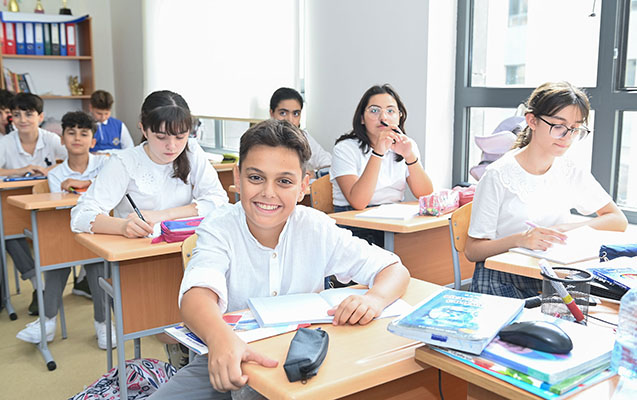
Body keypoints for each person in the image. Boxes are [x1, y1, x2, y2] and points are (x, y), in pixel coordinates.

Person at [149, 119, 410, 399]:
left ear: (303, 186)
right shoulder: (220, 226)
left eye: (284, 181)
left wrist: (375, 299)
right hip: (227, 349)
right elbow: (196, 295)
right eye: (256, 178)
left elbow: (394, 269)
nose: (268, 193)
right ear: (238, 177)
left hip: (299, 358)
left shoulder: (316, 227)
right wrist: (220, 338)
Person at [465, 81, 628, 299]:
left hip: (552, 274)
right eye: (559, 126)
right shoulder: (497, 174)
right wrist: (521, 239)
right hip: (502, 277)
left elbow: (617, 220)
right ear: (532, 120)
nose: (567, 137)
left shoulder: (569, 169)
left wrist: (566, 228)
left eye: (575, 129)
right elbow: (473, 250)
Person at [16, 111, 114, 348]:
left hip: (98, 233)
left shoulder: (105, 164)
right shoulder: (56, 174)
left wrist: (85, 183)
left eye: (84, 133)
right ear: (62, 139)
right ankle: (47, 322)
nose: (77, 138)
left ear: (93, 141)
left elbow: (113, 191)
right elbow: (58, 211)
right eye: (71, 133)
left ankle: (103, 324)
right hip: (66, 233)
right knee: (56, 260)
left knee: (96, 264)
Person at [71, 90, 228, 238]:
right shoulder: (124, 162)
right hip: (137, 248)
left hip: (184, 244)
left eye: (180, 137)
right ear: (144, 130)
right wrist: (123, 226)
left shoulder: (191, 150)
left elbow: (218, 201)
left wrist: (163, 215)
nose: (172, 146)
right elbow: (80, 216)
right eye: (161, 137)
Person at [330, 84, 433, 246]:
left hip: (393, 220)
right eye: (374, 111)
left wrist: (409, 155)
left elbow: (425, 194)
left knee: (430, 242)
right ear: (362, 118)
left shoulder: (406, 144)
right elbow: (358, 202)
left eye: (390, 111)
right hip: (355, 225)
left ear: (399, 116)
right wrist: (378, 152)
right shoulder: (345, 149)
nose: (383, 117)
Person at [0, 92, 67, 315]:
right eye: (17, 115)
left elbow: (73, 160)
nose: (23, 120)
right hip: (14, 205)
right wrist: (21, 170)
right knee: (9, 232)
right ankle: (39, 286)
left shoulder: (51, 139)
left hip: (48, 203)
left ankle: (74, 281)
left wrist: (49, 170)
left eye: (29, 114)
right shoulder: (5, 142)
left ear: (40, 117)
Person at [269, 87, 331, 176]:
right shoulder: (260, 138)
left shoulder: (304, 138)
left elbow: (329, 164)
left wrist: (315, 174)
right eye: (283, 113)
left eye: (295, 114)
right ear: (272, 113)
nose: (290, 120)